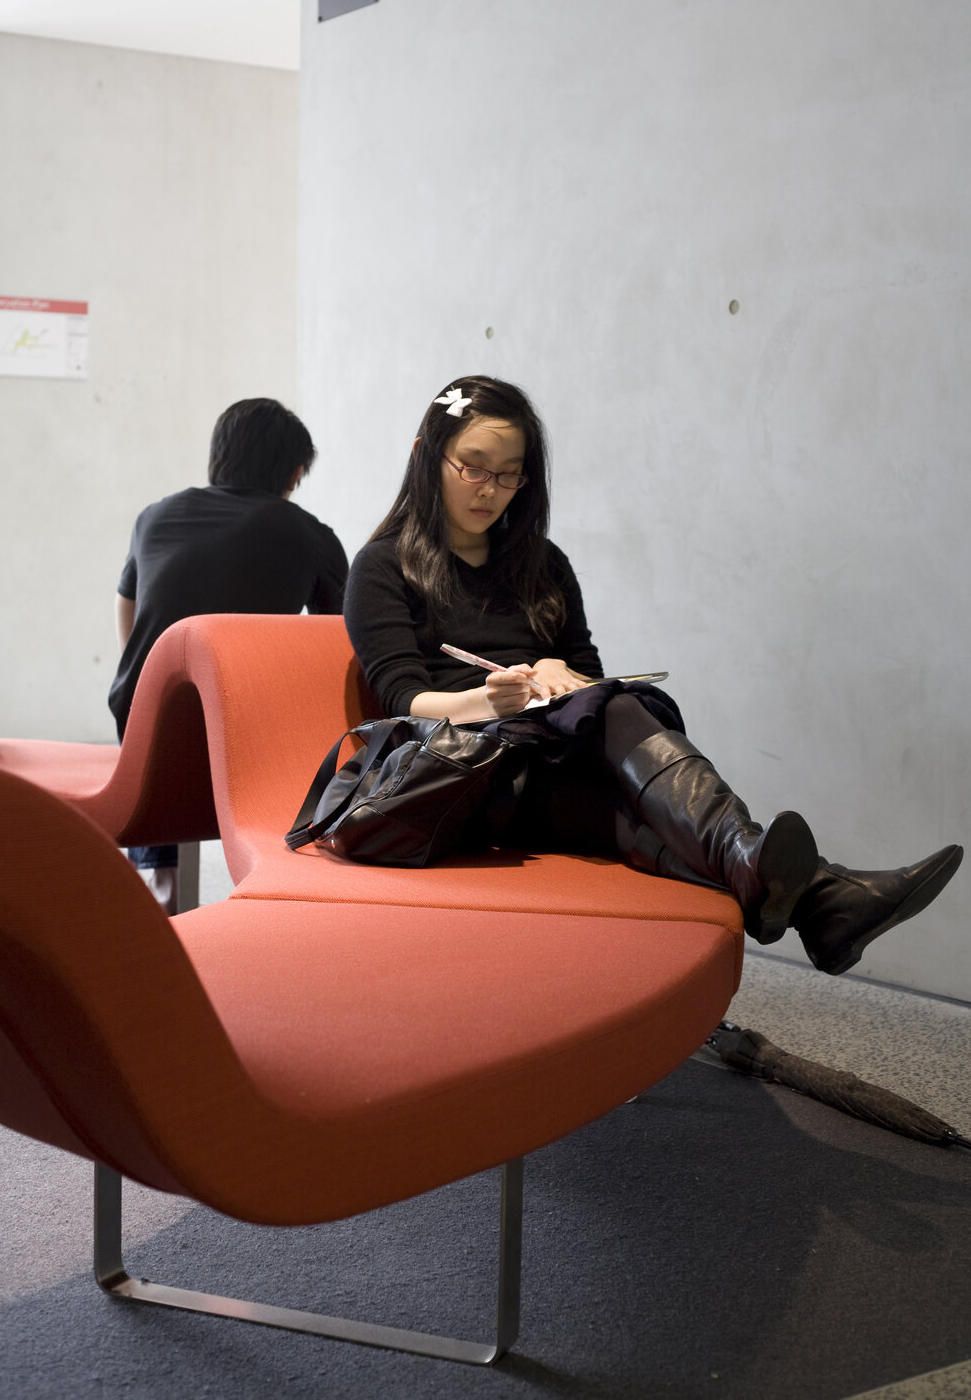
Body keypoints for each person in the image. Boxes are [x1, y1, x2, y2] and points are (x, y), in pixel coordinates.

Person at [343, 375, 962, 975]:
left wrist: (566, 673)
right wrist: (488, 698)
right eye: (473, 467)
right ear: (429, 458)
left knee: (628, 760)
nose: (490, 490)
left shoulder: (543, 565)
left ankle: (808, 898)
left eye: (509, 475)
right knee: (619, 727)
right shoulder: (384, 567)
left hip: (547, 773)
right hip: (460, 780)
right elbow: (402, 700)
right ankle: (809, 890)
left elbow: (589, 698)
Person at [111, 396, 348, 911]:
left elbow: (125, 604)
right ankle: (285, 877)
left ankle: (160, 884)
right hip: (239, 739)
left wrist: (142, 677)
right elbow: (340, 643)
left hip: (140, 729)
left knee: (170, 723)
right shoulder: (308, 534)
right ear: (295, 470)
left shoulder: (155, 516)